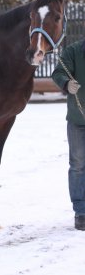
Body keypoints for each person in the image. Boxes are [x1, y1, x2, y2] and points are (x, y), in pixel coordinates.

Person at [52, 38, 85, 230]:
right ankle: (81, 212)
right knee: (78, 166)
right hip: (77, 120)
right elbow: (58, 72)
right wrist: (66, 84)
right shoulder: (73, 51)